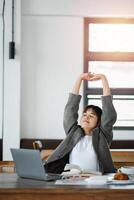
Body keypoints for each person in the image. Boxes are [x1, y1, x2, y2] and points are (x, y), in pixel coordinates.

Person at [44, 72, 117, 174]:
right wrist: (80, 78)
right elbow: (70, 110)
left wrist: (103, 78)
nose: (86, 117)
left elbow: (109, 113)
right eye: (84, 114)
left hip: (96, 181)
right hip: (72, 180)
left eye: (91, 116)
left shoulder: (103, 135)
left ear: (99, 121)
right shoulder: (73, 132)